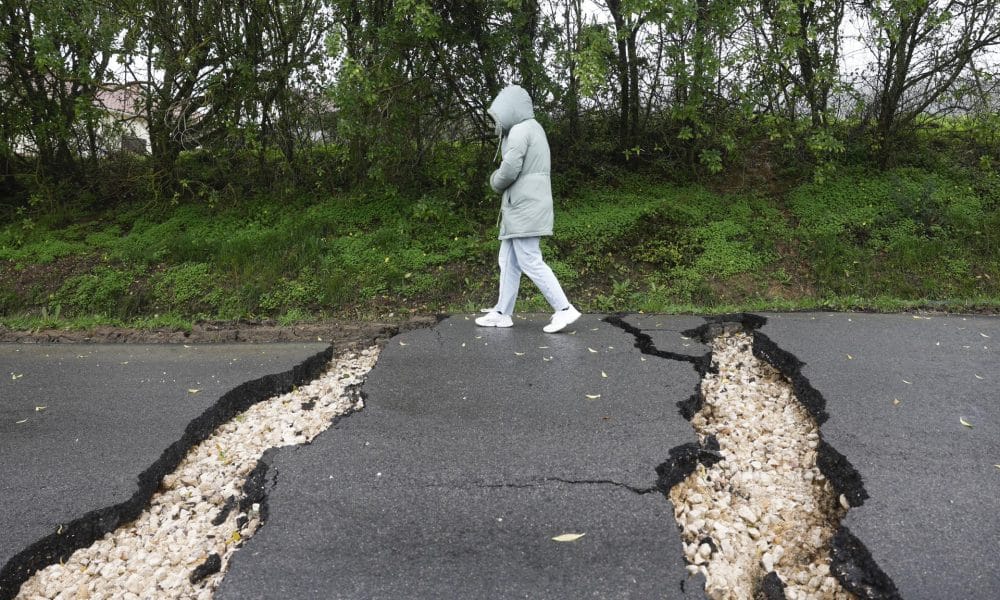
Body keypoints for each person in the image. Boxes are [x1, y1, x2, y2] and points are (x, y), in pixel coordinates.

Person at [475, 84, 581, 334]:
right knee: (508, 260)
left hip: (525, 208)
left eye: (497, 117)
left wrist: (494, 181)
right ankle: (502, 312)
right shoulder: (532, 128)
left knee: (530, 259)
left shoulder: (521, 130)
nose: (496, 123)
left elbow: (510, 169)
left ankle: (564, 309)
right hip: (523, 207)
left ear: (508, 109)